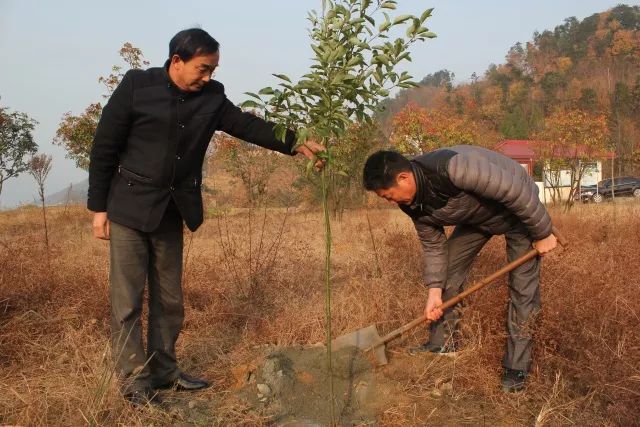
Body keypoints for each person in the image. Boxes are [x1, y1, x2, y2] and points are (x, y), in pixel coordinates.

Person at [88, 28, 324, 406]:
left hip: (171, 211)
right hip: (129, 209)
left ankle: (165, 370)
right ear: (176, 61)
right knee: (127, 301)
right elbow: (104, 146)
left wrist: (295, 142)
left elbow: (247, 125)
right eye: (203, 68)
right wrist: (98, 209)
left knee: (170, 299)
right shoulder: (137, 86)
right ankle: (135, 381)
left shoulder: (212, 97)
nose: (208, 77)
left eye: (213, 69)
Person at [362, 146, 557, 392]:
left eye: (389, 195)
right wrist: (434, 292)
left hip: (518, 210)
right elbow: (433, 245)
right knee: (448, 272)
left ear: (403, 178)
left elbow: (514, 190)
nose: (392, 202)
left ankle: (517, 367)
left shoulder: (453, 168)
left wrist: (542, 232)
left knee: (522, 288)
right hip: (478, 218)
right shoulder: (410, 203)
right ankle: (444, 342)